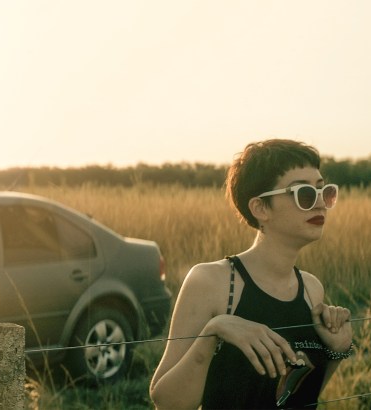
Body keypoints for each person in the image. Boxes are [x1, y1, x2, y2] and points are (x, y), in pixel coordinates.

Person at [150, 139, 354, 409]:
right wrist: (214, 331)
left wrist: (337, 351)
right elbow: (166, 401)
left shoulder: (311, 288)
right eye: (304, 193)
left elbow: (299, 394)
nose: (320, 204)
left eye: (324, 191)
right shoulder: (212, 282)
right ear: (260, 208)